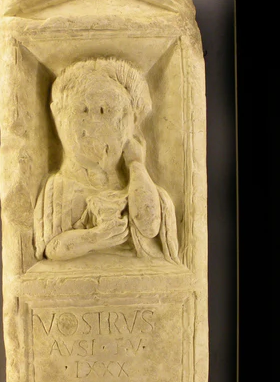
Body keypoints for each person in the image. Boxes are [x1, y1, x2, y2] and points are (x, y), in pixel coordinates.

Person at [34, 57, 180, 264]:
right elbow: (53, 249)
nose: (95, 118)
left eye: (107, 110)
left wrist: (136, 164)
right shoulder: (58, 187)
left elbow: (149, 226)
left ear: (132, 121)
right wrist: (95, 237)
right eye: (83, 109)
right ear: (59, 119)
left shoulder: (138, 184)